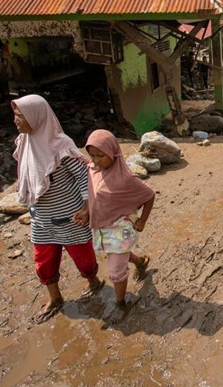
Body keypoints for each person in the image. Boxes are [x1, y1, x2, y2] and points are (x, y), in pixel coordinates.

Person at [11, 94, 103, 323]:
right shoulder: (24, 142)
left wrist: (86, 207)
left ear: (37, 117)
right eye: (15, 114)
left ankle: (94, 282)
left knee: (84, 258)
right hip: (41, 217)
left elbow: (83, 176)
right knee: (44, 261)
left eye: (20, 115)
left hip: (71, 217)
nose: (15, 120)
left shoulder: (61, 145)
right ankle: (55, 298)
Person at [80, 130, 156, 319]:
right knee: (118, 254)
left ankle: (121, 302)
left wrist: (142, 221)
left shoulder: (126, 179)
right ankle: (141, 261)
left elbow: (149, 195)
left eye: (101, 156)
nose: (96, 160)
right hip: (103, 226)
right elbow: (92, 195)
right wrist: (86, 212)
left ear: (113, 152)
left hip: (120, 228)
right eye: (93, 155)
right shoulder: (94, 170)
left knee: (116, 269)